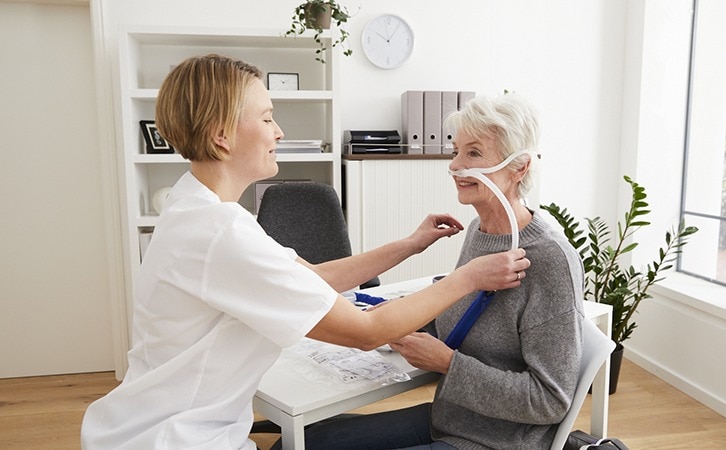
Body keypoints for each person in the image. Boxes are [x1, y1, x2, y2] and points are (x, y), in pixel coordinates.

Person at [80, 55, 529, 450]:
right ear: (222, 136)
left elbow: (309, 276)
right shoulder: (221, 233)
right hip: (174, 438)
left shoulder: (197, 206)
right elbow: (367, 331)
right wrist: (469, 277)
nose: (278, 131)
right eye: (267, 117)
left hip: (149, 423)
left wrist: (410, 246)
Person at [296, 93, 585, 450]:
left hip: (498, 442)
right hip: (449, 418)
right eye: (455, 152)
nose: (455, 166)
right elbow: (459, 320)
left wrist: (449, 364)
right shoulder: (481, 233)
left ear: (519, 167)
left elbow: (549, 401)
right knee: (304, 443)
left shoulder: (551, 260)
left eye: (474, 153)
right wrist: (397, 323)